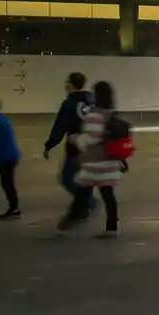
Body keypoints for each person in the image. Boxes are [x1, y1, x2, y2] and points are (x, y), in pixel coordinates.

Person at [62, 79, 124, 236]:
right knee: (108, 195)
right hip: (110, 161)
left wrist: (75, 138)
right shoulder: (111, 113)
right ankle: (112, 227)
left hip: (95, 163)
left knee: (82, 192)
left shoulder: (95, 114)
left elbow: (92, 138)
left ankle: (69, 222)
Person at [46, 73, 93, 223]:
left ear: (71, 85)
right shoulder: (92, 101)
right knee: (85, 178)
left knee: (67, 178)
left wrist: (50, 144)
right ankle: (85, 207)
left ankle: (86, 203)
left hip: (76, 147)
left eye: (67, 83)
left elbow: (60, 126)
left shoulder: (69, 104)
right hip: (91, 146)